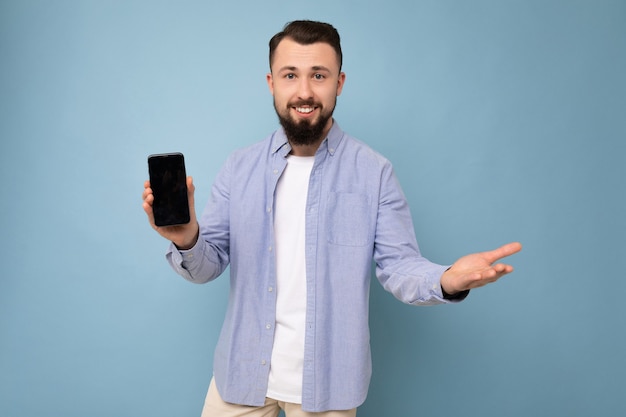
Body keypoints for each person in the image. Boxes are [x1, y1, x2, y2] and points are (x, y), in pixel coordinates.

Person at [142, 20, 522, 417]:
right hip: (240, 377)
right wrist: (186, 236)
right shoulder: (239, 168)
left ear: (338, 83)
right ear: (272, 82)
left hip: (329, 386)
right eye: (291, 75)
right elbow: (207, 266)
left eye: (318, 75)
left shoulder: (374, 172)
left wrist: (446, 280)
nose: (304, 91)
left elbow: (399, 266)